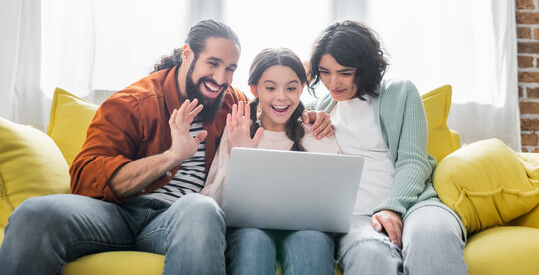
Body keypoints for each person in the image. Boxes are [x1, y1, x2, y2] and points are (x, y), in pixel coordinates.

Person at [0, 20, 332, 275]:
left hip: (177, 219)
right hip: (116, 213)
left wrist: (312, 116)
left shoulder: (230, 101)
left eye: (230, 69)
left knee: (200, 208)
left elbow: (273, 104)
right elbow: (86, 179)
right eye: (212, 63)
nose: (220, 77)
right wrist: (171, 156)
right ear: (188, 54)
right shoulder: (132, 103)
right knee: (34, 213)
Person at [307, 20, 467, 275]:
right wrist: (309, 119)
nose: (333, 82)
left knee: (432, 239)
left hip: (416, 205)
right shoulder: (322, 108)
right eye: (324, 72)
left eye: (344, 72)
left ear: (364, 68)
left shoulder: (400, 92)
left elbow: (413, 161)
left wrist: (391, 207)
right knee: (370, 255)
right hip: (357, 217)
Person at [202, 48, 341, 275]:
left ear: (302, 89)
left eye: (291, 88)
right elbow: (214, 204)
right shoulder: (239, 131)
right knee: (253, 240)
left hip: (307, 229)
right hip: (249, 230)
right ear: (254, 89)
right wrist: (237, 155)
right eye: (270, 88)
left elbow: (336, 201)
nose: (281, 97)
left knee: (312, 241)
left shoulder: (316, 131)